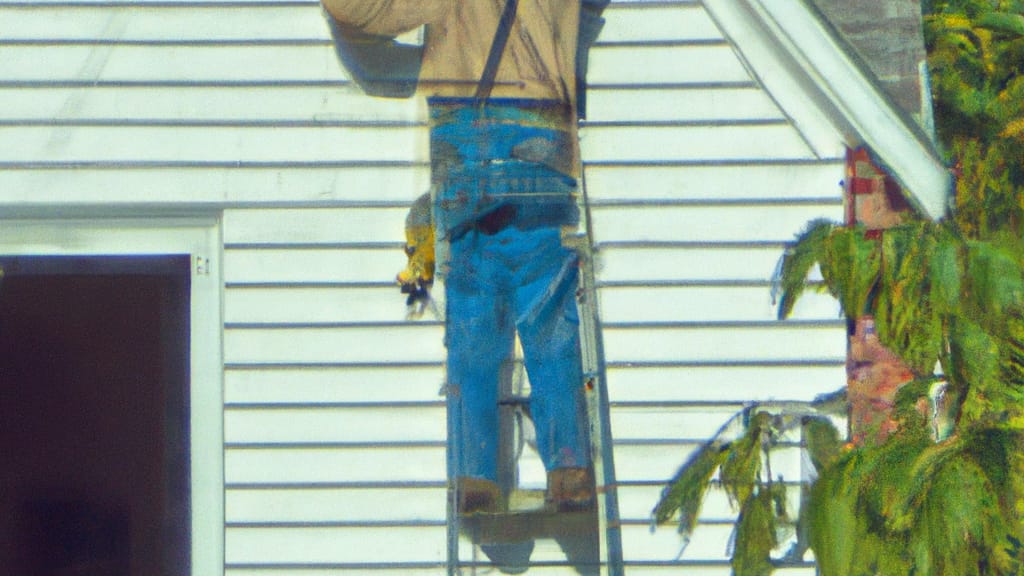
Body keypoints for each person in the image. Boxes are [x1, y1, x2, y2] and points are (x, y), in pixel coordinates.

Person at [322, 0, 608, 514]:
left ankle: (475, 477)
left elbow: (362, 12)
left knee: (474, 314)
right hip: (544, 136)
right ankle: (568, 469)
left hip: (466, 140)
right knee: (549, 311)